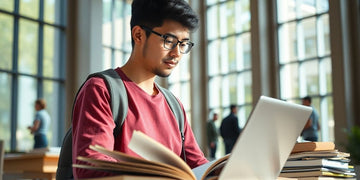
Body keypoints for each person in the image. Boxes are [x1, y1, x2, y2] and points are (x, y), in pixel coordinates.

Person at [72, 0, 208, 178]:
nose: (177, 53)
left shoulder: (174, 106)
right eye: (169, 41)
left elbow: (199, 166)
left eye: (183, 44)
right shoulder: (101, 90)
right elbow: (90, 166)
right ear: (138, 35)